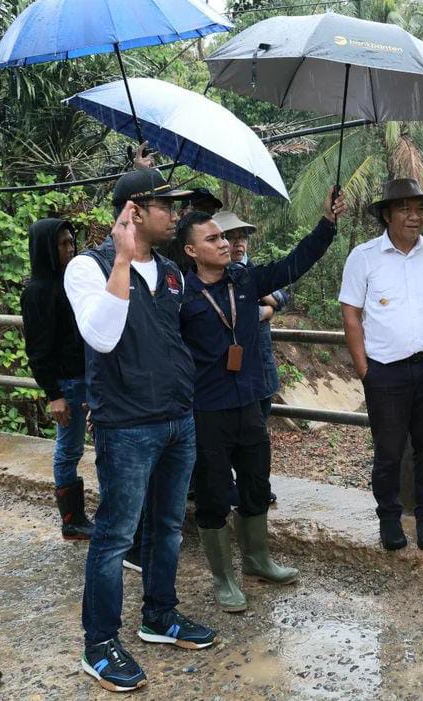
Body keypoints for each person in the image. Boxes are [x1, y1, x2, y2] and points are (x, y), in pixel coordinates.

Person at [65, 168, 216, 692]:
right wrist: (124, 258)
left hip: (178, 419)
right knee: (115, 536)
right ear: (133, 210)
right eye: (165, 206)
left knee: (168, 526)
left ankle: (160, 615)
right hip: (126, 426)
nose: (175, 216)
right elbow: (102, 339)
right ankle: (99, 643)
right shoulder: (88, 267)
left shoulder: (173, 272)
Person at [177, 188, 344, 613]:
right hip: (207, 409)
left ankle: (256, 559)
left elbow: (293, 265)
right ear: (191, 250)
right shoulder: (179, 297)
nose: (224, 243)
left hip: (249, 401)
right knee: (214, 493)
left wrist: (326, 225)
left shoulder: (245, 280)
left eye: (224, 237)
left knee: (256, 482)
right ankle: (223, 576)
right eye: (213, 239)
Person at [339, 178, 423, 551]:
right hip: (386, 372)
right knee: (389, 450)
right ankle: (389, 518)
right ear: (387, 215)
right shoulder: (364, 256)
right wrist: (365, 372)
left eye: (419, 208)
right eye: (405, 209)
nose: (414, 216)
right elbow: (351, 314)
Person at [20, 218, 94, 541]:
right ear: (46, 249)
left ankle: (79, 517)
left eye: (71, 242)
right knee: (69, 450)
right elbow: (37, 350)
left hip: (87, 376)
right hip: (66, 383)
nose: (70, 248)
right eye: (63, 244)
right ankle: (72, 519)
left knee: (94, 443)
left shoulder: (71, 282)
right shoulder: (37, 292)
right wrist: (54, 394)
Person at [212, 210, 288, 506]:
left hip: (261, 361)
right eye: (230, 237)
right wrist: (263, 308)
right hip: (228, 370)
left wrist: (263, 304)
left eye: (241, 237)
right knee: (233, 428)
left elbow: (283, 297)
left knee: (259, 423)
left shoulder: (252, 270)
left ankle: (253, 483)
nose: (237, 243)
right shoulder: (211, 277)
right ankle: (232, 483)